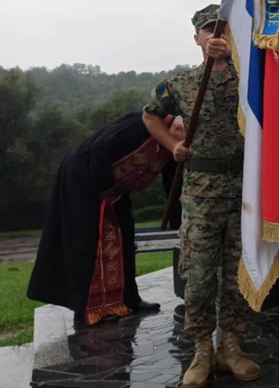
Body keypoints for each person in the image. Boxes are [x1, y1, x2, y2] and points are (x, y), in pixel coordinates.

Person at [143, 4, 260, 388]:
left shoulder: (250, 79)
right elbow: (149, 115)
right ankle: (201, 349)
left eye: (221, 30)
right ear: (196, 38)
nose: (215, 36)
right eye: (208, 31)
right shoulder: (180, 84)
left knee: (235, 274)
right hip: (201, 192)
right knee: (197, 276)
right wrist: (171, 145)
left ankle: (230, 345)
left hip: (241, 188)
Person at [27, 112, 182, 326]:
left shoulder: (172, 146)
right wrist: (103, 188)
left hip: (115, 187)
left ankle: (129, 299)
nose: (179, 142)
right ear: (175, 125)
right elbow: (100, 147)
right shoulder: (142, 123)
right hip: (84, 178)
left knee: (125, 235)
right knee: (88, 241)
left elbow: (173, 184)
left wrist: (180, 226)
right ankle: (86, 311)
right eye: (181, 134)